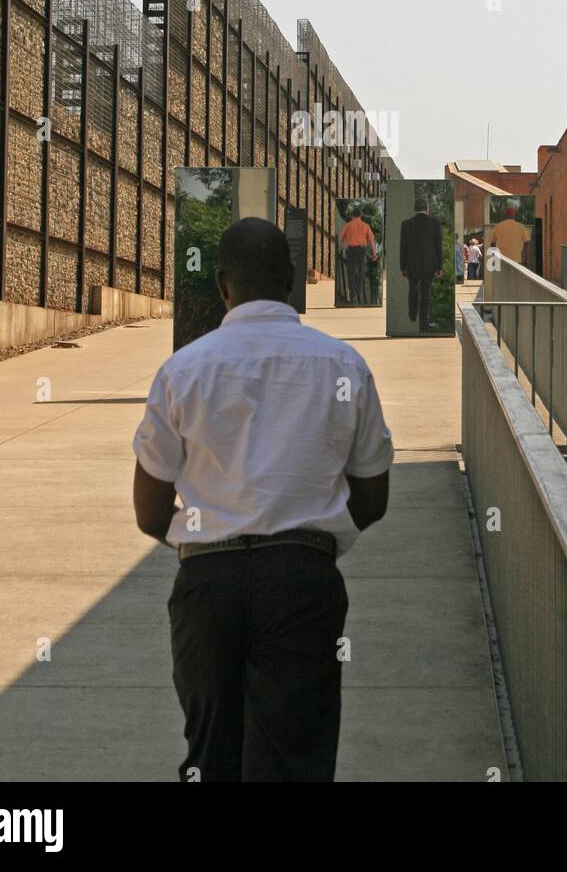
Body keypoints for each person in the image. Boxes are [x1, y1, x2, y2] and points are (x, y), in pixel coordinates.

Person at [132, 217, 394, 783]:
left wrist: (210, 535)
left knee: (211, 758)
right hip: (302, 583)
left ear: (222, 284)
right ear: (293, 280)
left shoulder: (182, 371)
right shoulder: (343, 366)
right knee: (295, 761)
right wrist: (309, 540)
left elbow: (150, 511)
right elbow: (373, 495)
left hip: (208, 586)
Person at [399, 197, 443, 333]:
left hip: (412, 264)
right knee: (425, 293)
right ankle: (423, 322)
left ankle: (412, 314)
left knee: (412, 287)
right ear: (427, 209)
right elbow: (438, 246)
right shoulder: (434, 223)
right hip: (429, 264)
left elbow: (403, 247)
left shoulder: (406, 224)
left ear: (415, 209)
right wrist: (439, 266)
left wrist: (403, 267)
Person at [339, 204, 377, 306]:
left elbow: (341, 237)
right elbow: (371, 241)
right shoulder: (366, 226)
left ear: (352, 215)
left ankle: (353, 295)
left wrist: (342, 246)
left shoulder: (348, 225)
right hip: (362, 251)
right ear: (360, 216)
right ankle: (358, 291)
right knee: (361, 272)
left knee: (350, 274)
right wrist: (374, 253)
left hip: (351, 251)